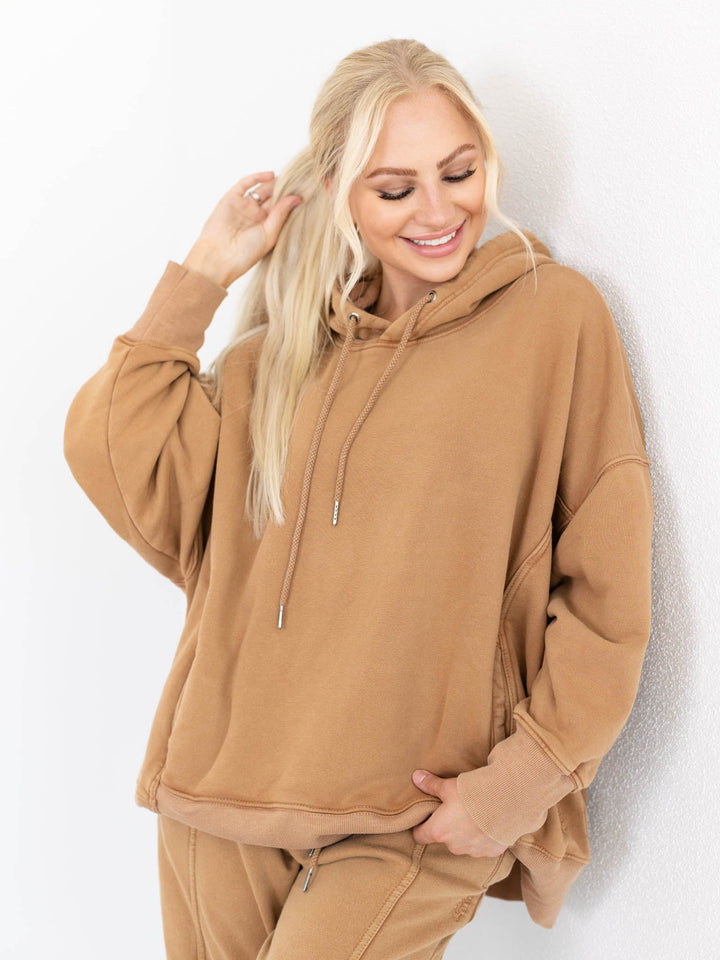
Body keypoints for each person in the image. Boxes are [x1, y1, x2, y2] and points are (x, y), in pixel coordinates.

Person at [63, 37, 654, 959]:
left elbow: (607, 589)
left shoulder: (553, 320)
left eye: (458, 172)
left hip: (412, 816)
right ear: (341, 192)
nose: (439, 210)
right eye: (395, 188)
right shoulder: (274, 362)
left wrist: (520, 784)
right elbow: (109, 444)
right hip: (223, 801)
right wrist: (206, 271)